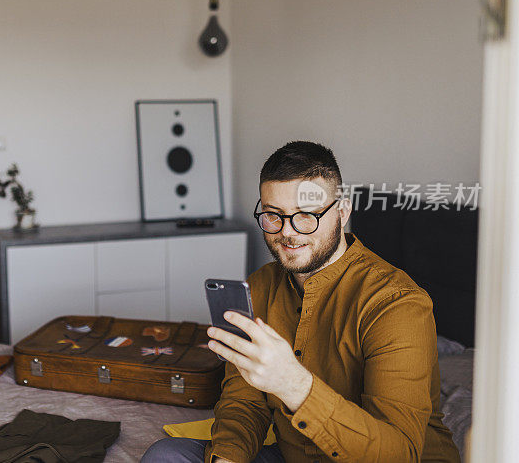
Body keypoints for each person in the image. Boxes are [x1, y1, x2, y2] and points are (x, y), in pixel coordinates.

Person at [142, 141, 460, 463]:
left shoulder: (397, 304)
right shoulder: (259, 287)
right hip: (292, 455)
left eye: (307, 216)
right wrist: (227, 459)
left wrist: (293, 384)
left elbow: (398, 454)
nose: (288, 233)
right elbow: (244, 402)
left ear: (343, 211)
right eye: (273, 216)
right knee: (166, 455)